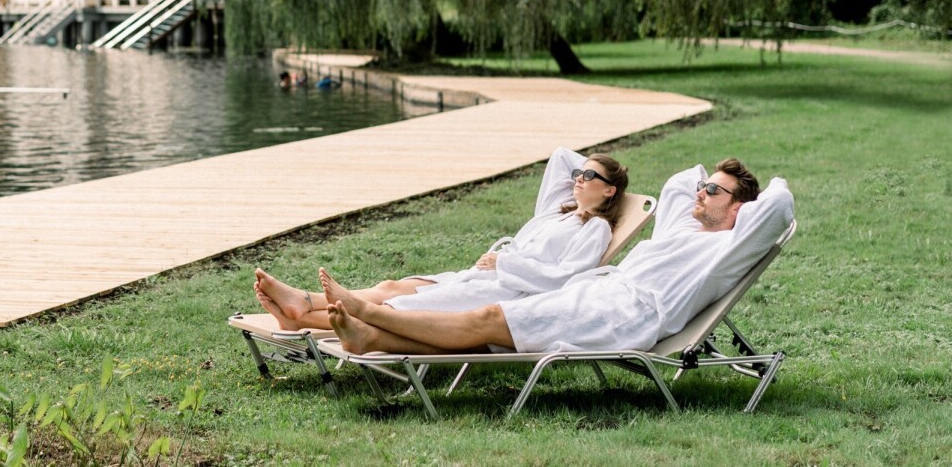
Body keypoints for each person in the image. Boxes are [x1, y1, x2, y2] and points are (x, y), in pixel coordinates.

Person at [324, 158, 794, 356]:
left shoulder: (727, 248)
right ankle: (371, 336)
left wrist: (764, 188)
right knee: (493, 331)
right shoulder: (685, 227)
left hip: (626, 315)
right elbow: (677, 184)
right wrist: (711, 179)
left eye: (713, 191)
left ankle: (373, 314)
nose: (701, 192)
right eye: (704, 186)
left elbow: (777, 209)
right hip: (600, 294)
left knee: (490, 317)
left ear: (739, 209)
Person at [255, 148, 629, 331]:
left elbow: (565, 280)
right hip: (481, 277)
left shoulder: (595, 229)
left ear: (609, 191)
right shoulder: (558, 211)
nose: (578, 178)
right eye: (579, 173)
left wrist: (505, 263)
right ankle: (304, 305)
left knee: (396, 310)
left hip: (506, 293)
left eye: (589, 177)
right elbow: (561, 157)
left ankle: (303, 315)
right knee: (391, 286)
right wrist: (594, 170)